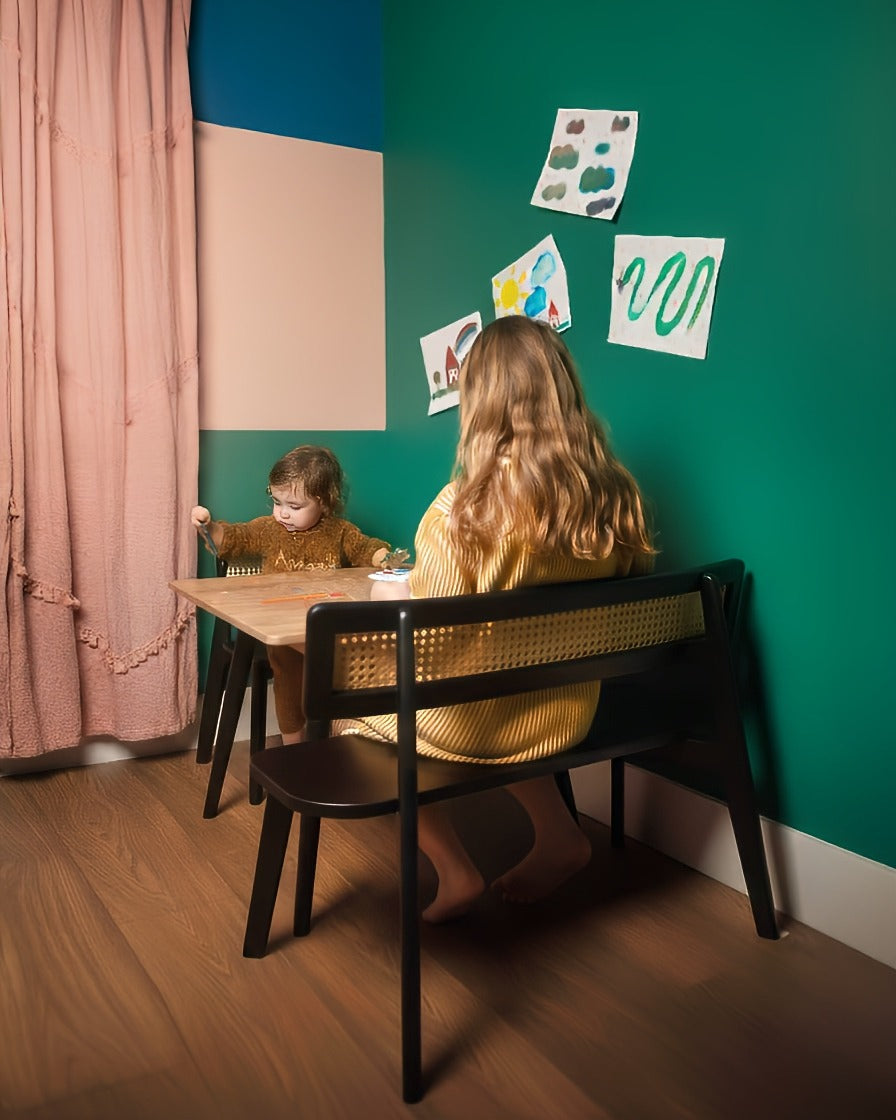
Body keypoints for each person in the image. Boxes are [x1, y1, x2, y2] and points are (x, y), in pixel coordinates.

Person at [358, 316, 655, 922]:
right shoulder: (614, 499)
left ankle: (456, 869)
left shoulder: (459, 513)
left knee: (359, 716)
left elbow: (431, 650)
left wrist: (398, 601)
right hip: (563, 714)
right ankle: (559, 834)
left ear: (479, 404)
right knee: (506, 681)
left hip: (482, 723)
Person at [192, 445, 390, 745]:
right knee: (289, 669)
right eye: (276, 501)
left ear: (324, 503)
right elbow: (233, 539)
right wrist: (209, 528)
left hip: (322, 627)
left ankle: (335, 733)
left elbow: (365, 548)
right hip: (281, 630)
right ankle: (293, 743)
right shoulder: (268, 529)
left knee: (348, 658)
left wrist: (384, 558)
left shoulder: (340, 531)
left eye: (294, 506)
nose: (282, 513)